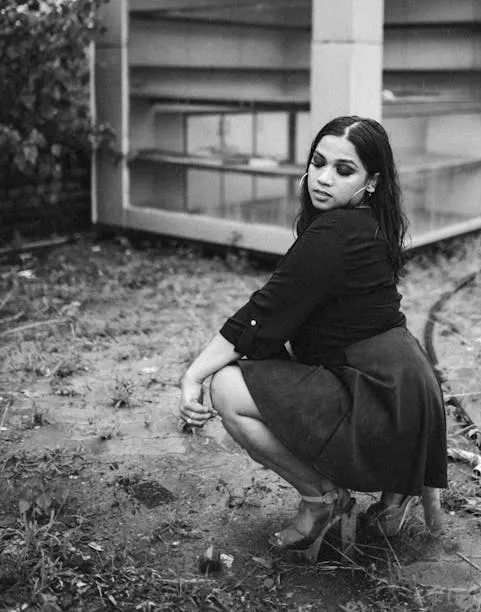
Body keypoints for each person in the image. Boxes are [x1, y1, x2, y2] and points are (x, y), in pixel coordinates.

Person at [179, 115, 447, 561]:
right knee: (267, 370)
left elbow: (262, 315)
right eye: (318, 163)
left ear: (373, 181)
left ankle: (322, 499)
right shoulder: (368, 223)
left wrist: (193, 375)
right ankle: (395, 496)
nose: (323, 179)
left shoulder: (336, 233)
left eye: (344, 171)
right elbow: (300, 319)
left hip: (378, 398)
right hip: (405, 391)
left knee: (225, 388)